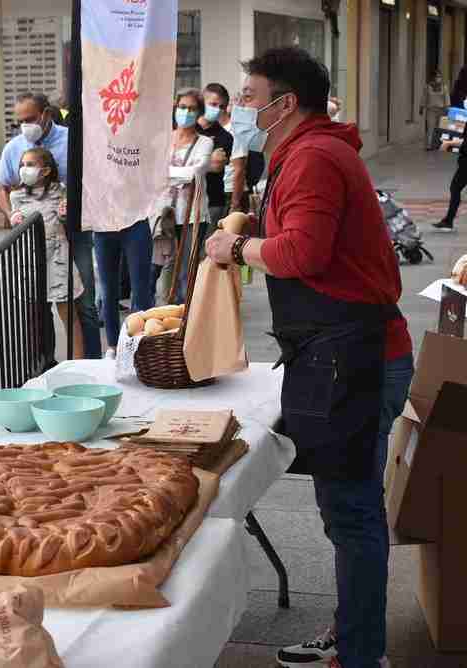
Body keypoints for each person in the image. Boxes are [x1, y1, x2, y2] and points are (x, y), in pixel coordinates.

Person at [205, 47, 413, 668]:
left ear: (285, 102)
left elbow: (303, 253)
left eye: (249, 96)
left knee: (351, 512)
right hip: (339, 351)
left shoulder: (316, 156)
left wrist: (236, 247)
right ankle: (353, 632)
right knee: (344, 508)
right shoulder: (306, 150)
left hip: (357, 357)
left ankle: (359, 652)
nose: (240, 107)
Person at [0, 92, 101, 359]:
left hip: (74, 235)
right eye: (19, 120)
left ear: (45, 114)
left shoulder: (72, 140)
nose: (24, 125)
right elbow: (3, 188)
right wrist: (11, 215)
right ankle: (45, 364)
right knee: (37, 305)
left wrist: (74, 207)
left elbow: (93, 181)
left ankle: (88, 365)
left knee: (83, 303)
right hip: (33, 244)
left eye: (30, 118)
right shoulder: (14, 148)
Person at [9, 147, 84, 358]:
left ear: (45, 170)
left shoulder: (59, 191)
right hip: (30, 258)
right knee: (34, 316)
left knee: (68, 312)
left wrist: (65, 215)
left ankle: (77, 362)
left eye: (30, 165)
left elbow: (67, 220)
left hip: (58, 256)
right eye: (23, 165)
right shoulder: (17, 195)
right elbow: (14, 221)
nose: (25, 169)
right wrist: (13, 219)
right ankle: (41, 362)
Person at [155, 89, 214, 304]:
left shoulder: (205, 142)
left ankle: (188, 313)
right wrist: (174, 174)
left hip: (192, 215)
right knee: (166, 265)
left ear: (199, 112)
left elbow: (195, 173)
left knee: (188, 268)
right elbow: (154, 172)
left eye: (191, 108)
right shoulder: (163, 139)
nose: (186, 112)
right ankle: (169, 309)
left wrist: (167, 173)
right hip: (165, 214)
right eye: (182, 107)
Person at [198, 83, 234, 230]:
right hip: (180, 201)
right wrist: (207, 160)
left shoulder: (225, 137)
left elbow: (216, 166)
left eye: (221, 107)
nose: (217, 110)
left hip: (212, 202)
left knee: (206, 250)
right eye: (213, 104)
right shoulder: (185, 129)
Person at [424, 71, 449, 150]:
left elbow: (446, 98)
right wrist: (421, 107)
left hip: (441, 110)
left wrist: (447, 107)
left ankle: (437, 144)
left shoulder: (444, 87)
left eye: (439, 76)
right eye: (436, 77)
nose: (438, 78)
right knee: (430, 127)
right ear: (432, 78)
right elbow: (424, 97)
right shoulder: (428, 87)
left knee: (440, 128)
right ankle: (428, 145)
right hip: (431, 110)